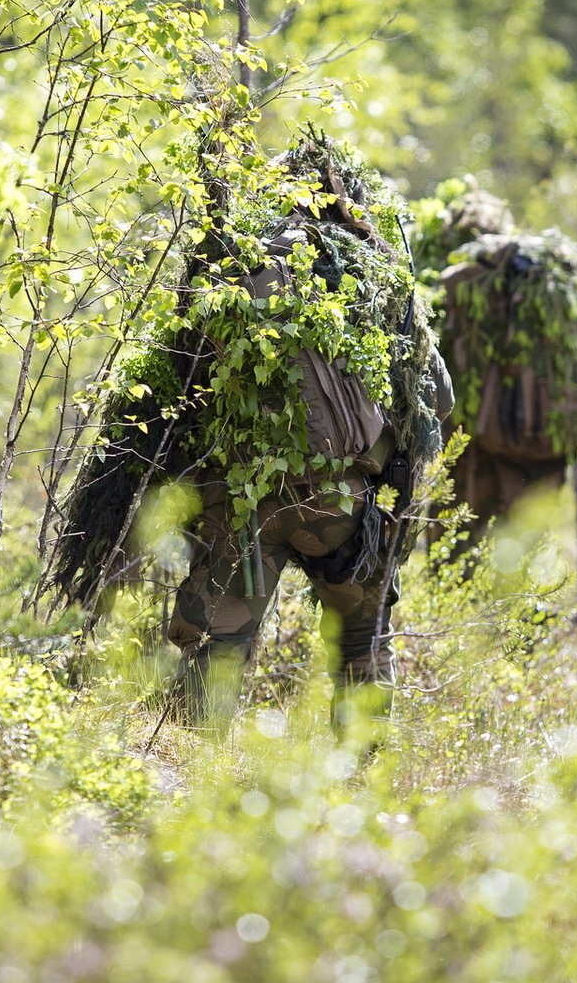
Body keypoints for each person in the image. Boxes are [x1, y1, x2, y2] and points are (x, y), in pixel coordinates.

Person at [45, 138, 450, 724]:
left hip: (242, 504)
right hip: (343, 506)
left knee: (219, 651)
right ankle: (363, 779)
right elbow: (441, 397)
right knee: (361, 639)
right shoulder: (375, 274)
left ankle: (200, 781)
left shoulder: (234, 265)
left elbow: (173, 397)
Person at [416, 188, 577, 535]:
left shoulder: (472, 274)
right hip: (550, 441)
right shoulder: (555, 273)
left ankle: (457, 591)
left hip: (480, 440)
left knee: (457, 547)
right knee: (524, 549)